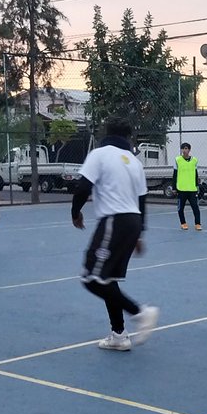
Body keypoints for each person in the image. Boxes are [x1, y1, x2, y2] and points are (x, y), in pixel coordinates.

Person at [71, 116, 160, 351]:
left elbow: (82, 187)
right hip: (132, 221)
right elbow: (142, 200)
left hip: (114, 220)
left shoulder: (99, 154)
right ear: (128, 136)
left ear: (106, 132)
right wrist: (139, 233)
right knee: (107, 278)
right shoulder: (134, 161)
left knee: (91, 278)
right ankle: (119, 334)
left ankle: (140, 313)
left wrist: (75, 212)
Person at [172, 142, 202, 230]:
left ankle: (198, 223)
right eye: (183, 148)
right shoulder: (177, 160)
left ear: (189, 150)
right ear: (181, 150)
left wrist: (196, 186)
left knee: (195, 207)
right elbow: (175, 175)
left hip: (192, 189)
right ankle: (183, 223)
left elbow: (196, 175)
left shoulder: (194, 160)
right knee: (180, 208)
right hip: (181, 188)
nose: (184, 150)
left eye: (186, 148)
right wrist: (174, 188)